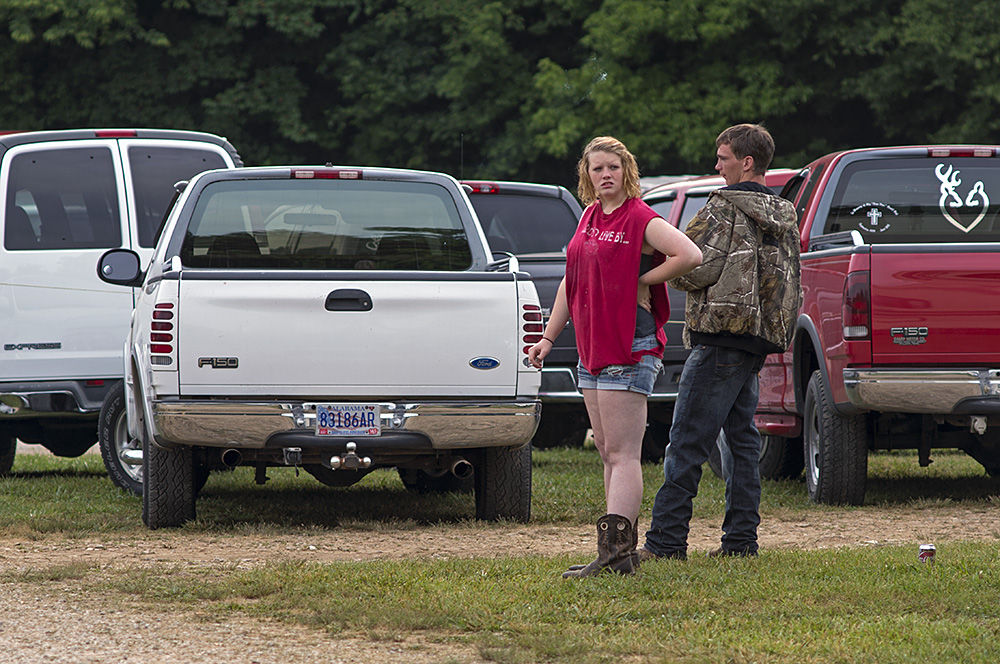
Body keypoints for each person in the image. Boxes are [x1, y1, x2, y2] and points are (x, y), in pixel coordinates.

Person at [528, 136, 702, 578]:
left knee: (624, 453)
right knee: (606, 450)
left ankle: (619, 556)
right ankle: (611, 553)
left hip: (629, 344)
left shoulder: (640, 217)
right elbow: (572, 279)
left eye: (613, 167)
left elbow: (690, 254)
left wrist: (643, 279)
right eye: (596, 168)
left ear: (627, 171)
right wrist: (549, 337)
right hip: (592, 346)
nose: (605, 175)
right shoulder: (588, 216)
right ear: (587, 175)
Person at [640, 123, 802, 561]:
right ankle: (740, 542)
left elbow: (694, 266)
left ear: (746, 162)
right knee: (743, 443)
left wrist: (645, 276)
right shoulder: (783, 214)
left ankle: (666, 542)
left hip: (718, 338)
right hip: (755, 342)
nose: (717, 165)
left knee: (687, 441)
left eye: (724, 157)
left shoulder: (722, 208)